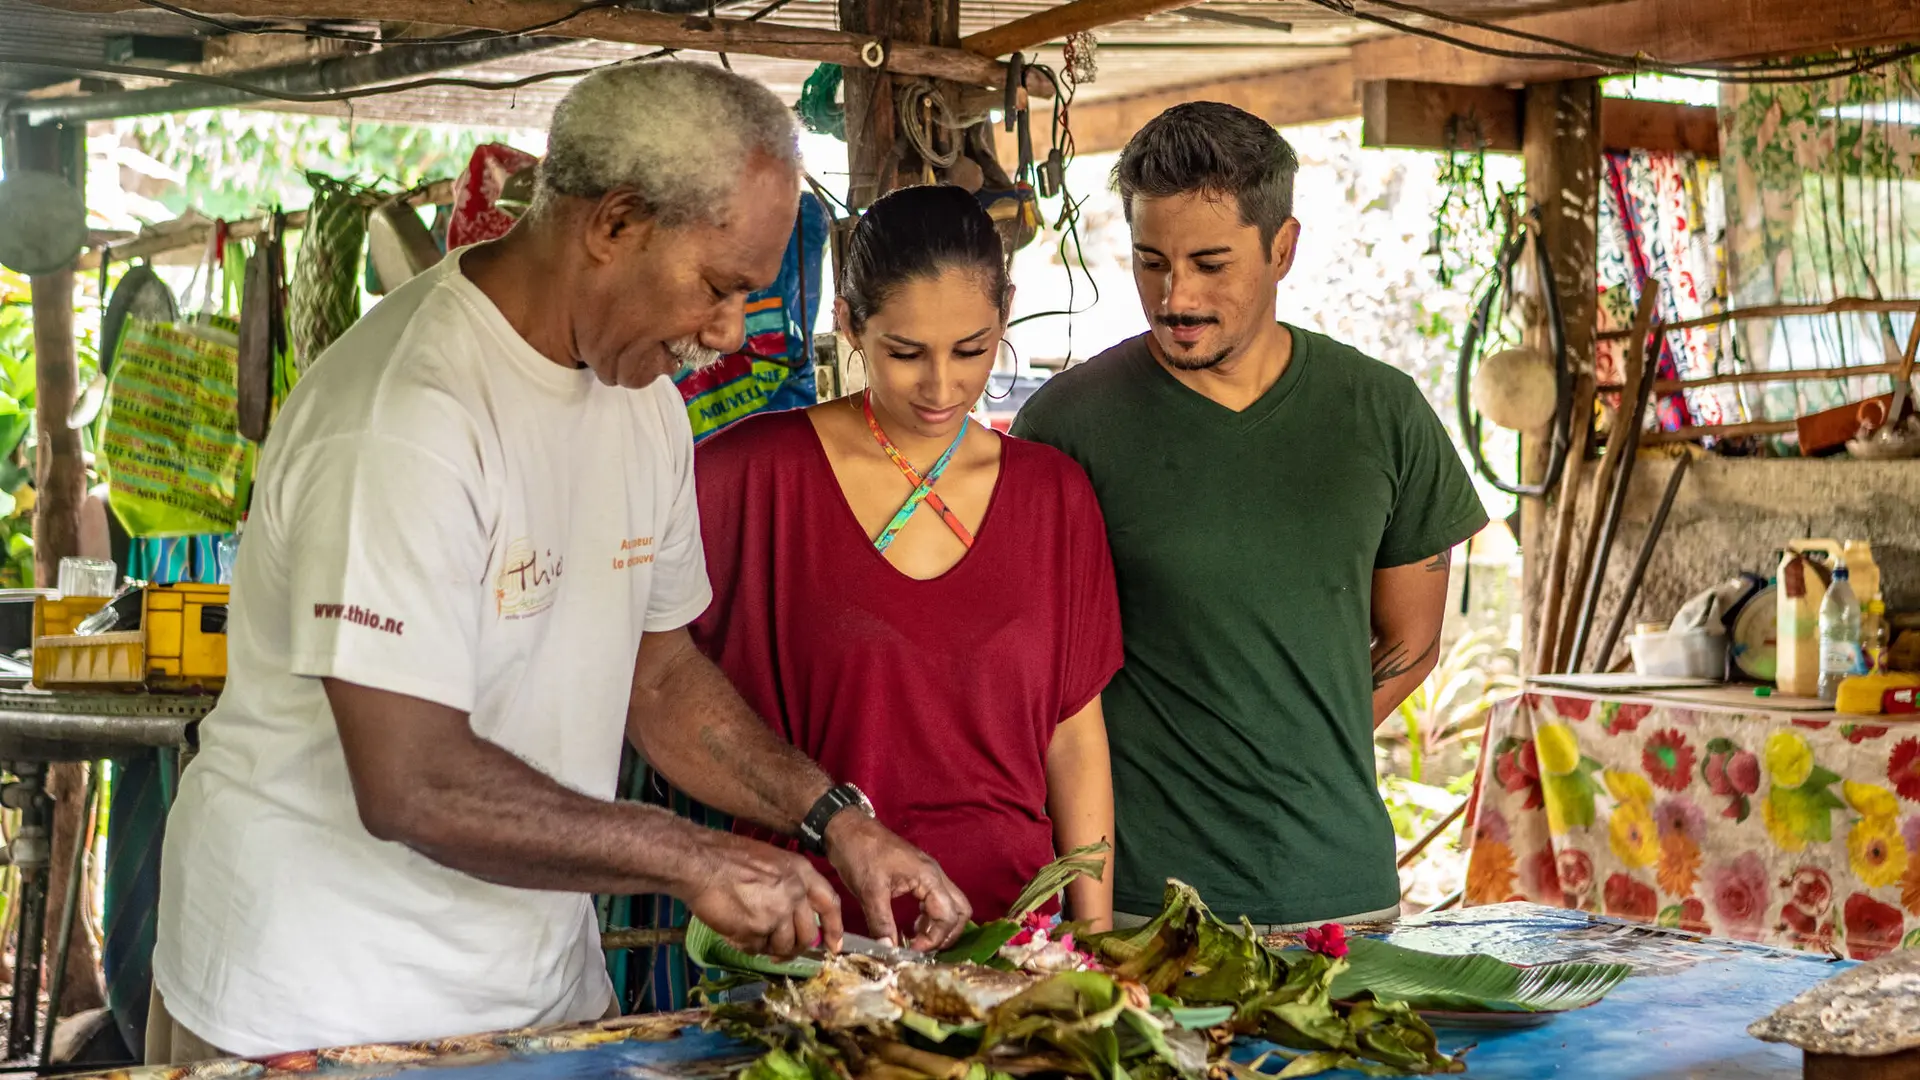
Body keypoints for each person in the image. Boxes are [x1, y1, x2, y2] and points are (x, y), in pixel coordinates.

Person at [150, 63, 968, 1063]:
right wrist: (689, 855)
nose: (726, 332)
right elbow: (410, 779)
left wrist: (832, 816)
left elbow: (658, 675)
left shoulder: (645, 408)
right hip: (323, 1000)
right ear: (614, 224)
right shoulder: (408, 416)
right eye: (719, 288)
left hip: (536, 989)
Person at [1012, 102, 1488, 932]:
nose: (1174, 295)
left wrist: (1295, 738)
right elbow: (1031, 675)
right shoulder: (1067, 426)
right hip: (1139, 908)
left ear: (1283, 249)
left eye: (1209, 263)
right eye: (1151, 260)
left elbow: (1412, 643)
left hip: (1340, 894)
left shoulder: (1381, 412)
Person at [691, 185, 1122, 937]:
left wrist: (1093, 940)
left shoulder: (1054, 495)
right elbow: (657, 688)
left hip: (1016, 943)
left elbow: (1075, 738)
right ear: (849, 321)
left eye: (971, 349)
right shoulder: (746, 477)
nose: (942, 386)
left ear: (1007, 311)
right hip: (811, 944)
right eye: (905, 352)